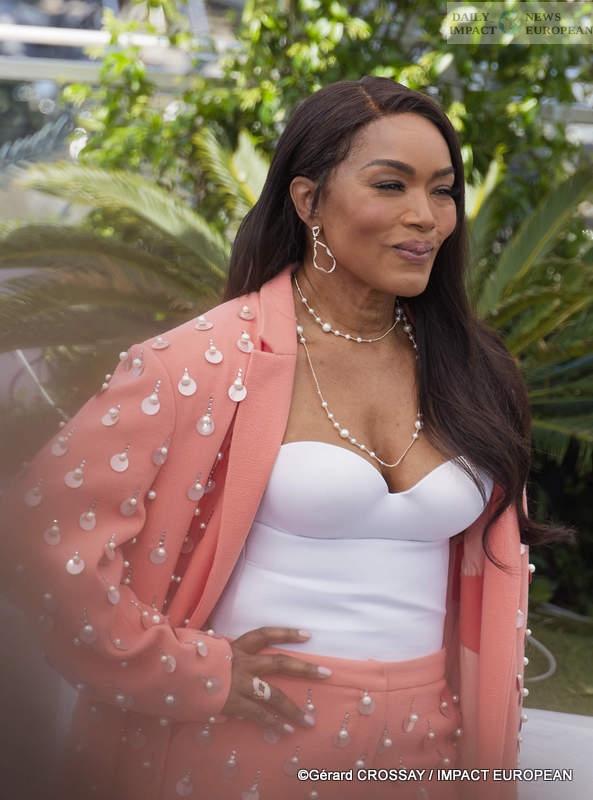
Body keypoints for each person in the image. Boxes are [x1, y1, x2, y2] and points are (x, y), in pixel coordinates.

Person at [0, 76, 562, 800]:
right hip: (240, 743)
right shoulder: (197, 363)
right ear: (308, 201)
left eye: (442, 190)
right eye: (390, 185)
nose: (425, 216)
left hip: (427, 748)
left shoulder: (475, 373)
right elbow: (40, 532)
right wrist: (177, 668)